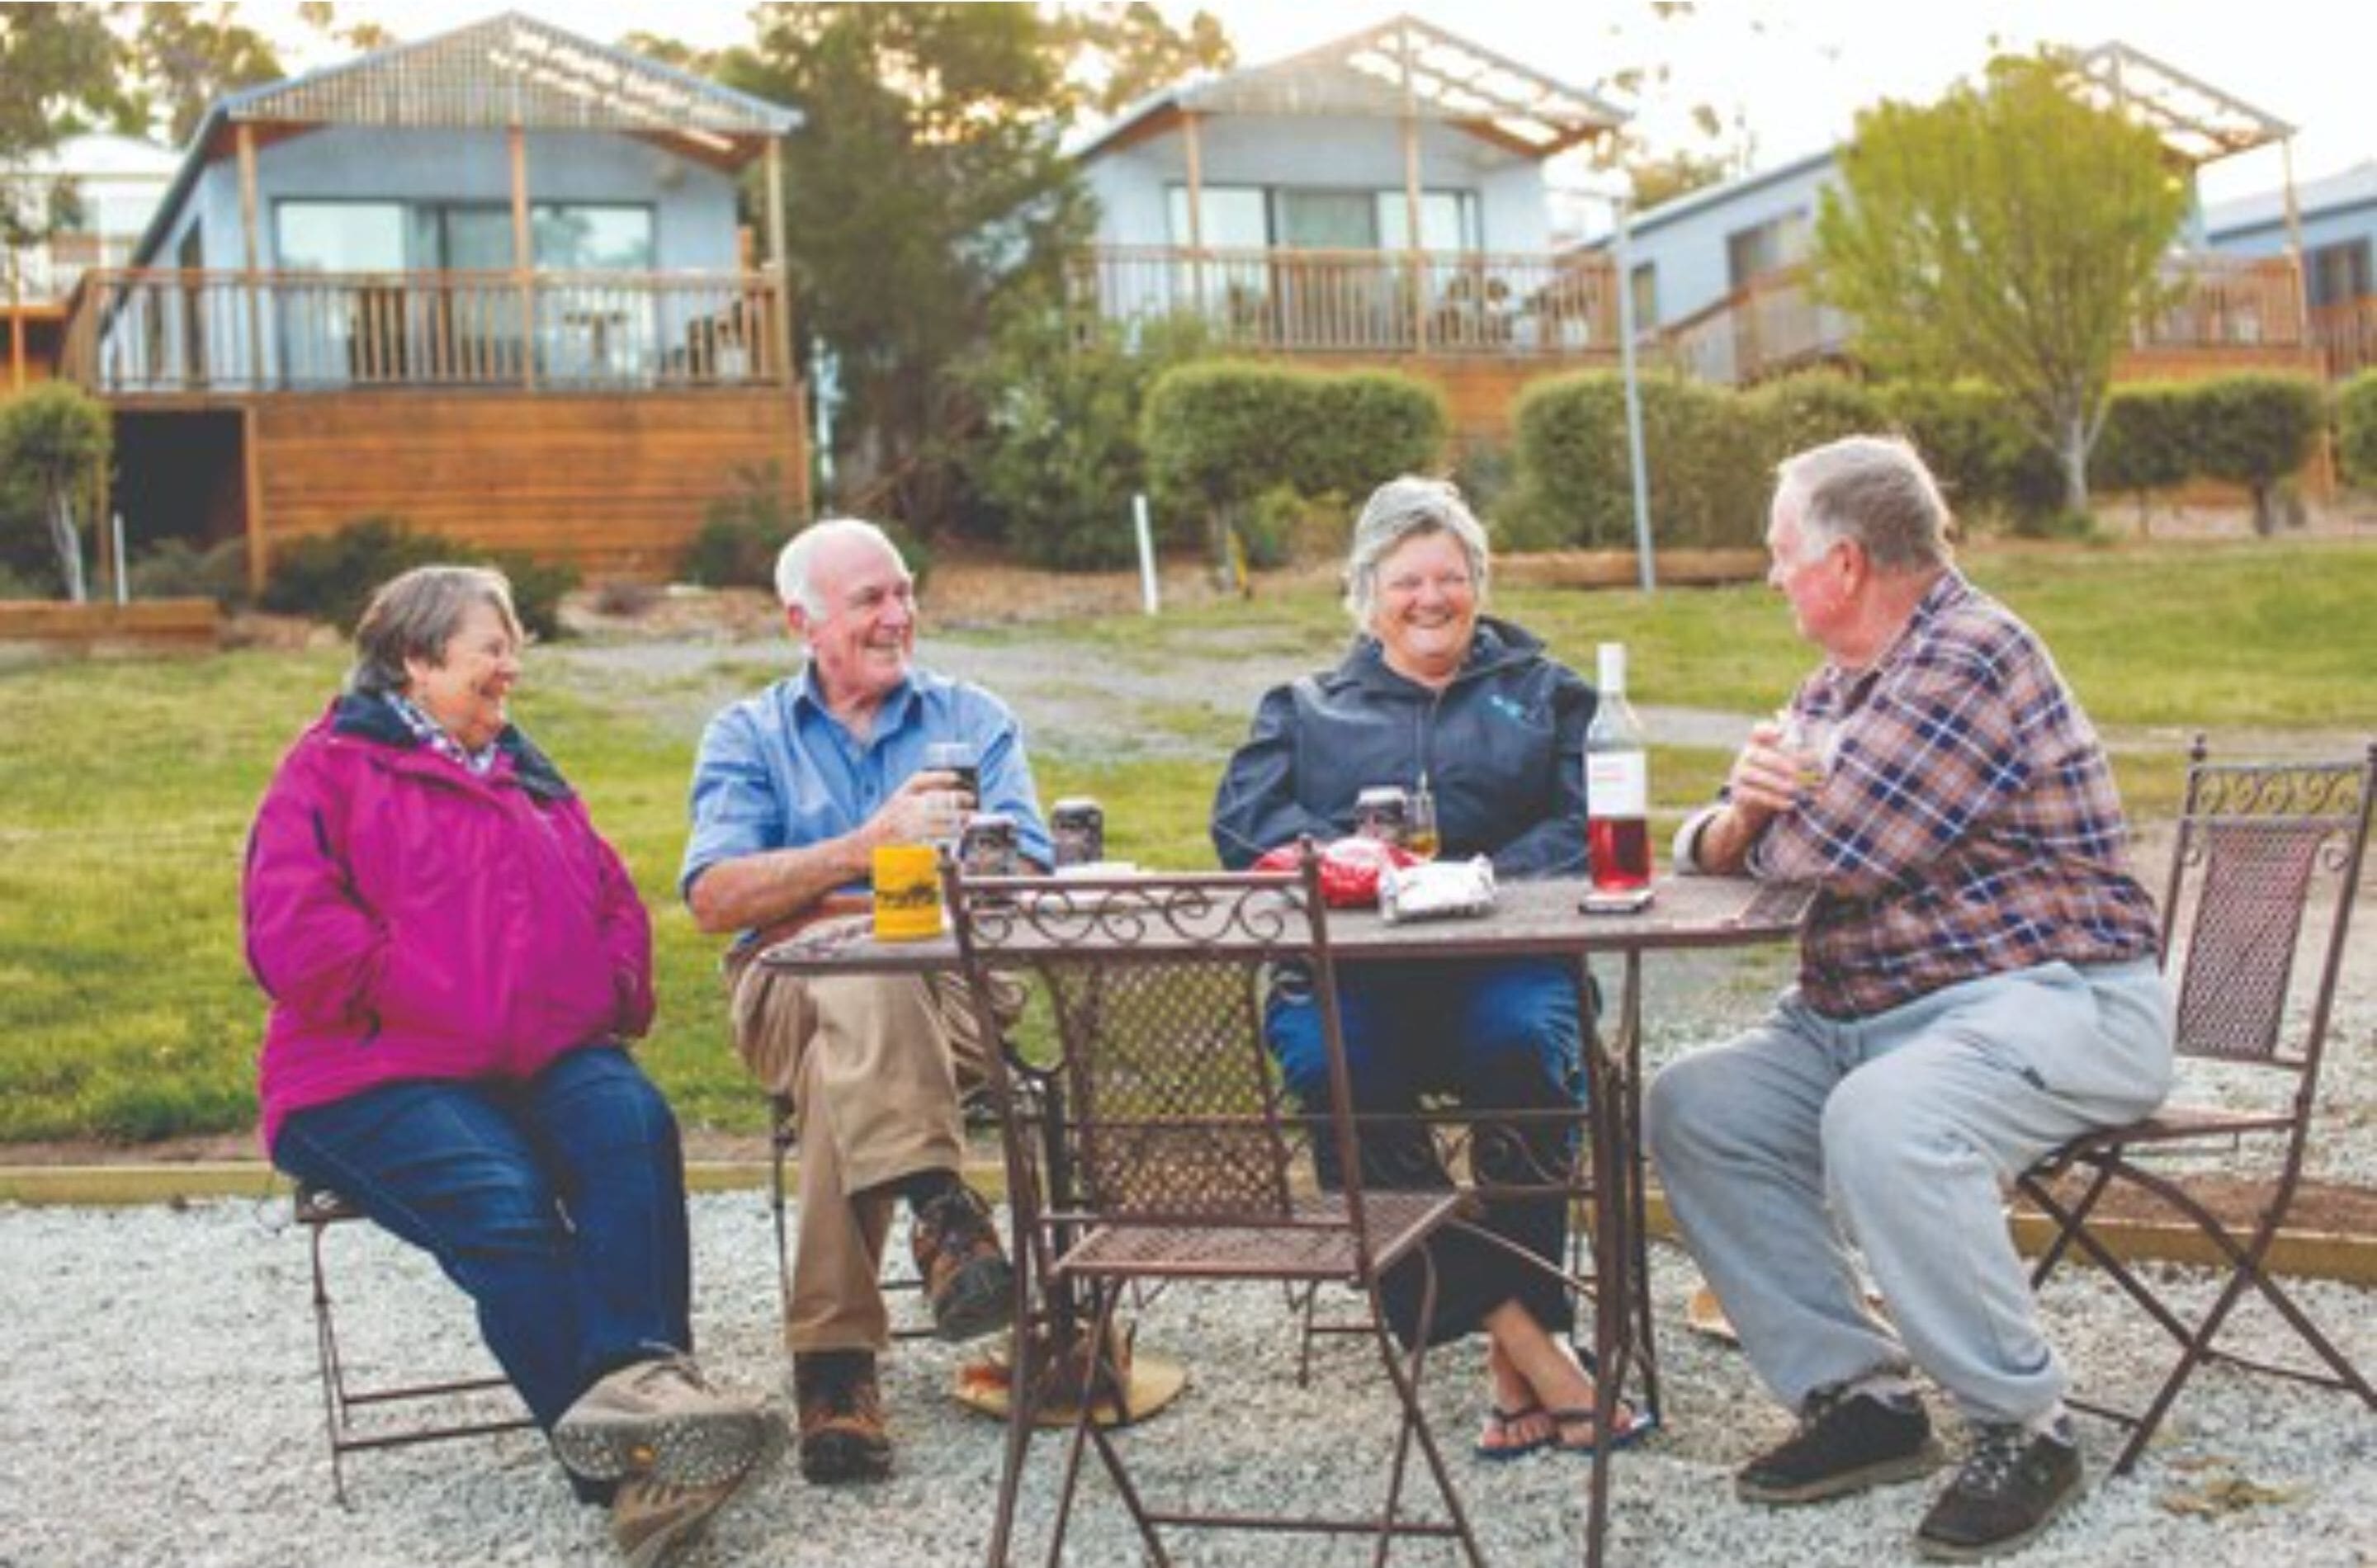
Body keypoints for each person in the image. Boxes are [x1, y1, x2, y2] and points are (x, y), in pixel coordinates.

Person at [1645, 436, 2173, 1561]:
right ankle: (1860, 1398)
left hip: (2050, 999)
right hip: (1861, 1016)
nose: (1771, 575)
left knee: (1886, 1116)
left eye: (1781, 553)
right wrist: (1743, 813)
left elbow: (1834, 845)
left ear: (1841, 564)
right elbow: (1707, 837)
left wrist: (1753, 818)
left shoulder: (1968, 653)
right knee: (1698, 1103)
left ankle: (2025, 1426)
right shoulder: (1843, 681)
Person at [248, 565, 777, 1567]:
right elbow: (292, 935)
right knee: (503, 1204)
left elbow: (613, 895)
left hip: (533, 1052)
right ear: (416, 659)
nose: (511, 668)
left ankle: (644, 1389)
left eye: (513, 647)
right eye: (492, 648)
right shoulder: (327, 770)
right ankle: (633, 1462)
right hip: (370, 1066)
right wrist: (428, 988)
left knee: (632, 1125)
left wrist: (614, 986)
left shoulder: (527, 774)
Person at [1211, 475, 1643, 1460]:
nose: (1432, 599)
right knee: (1331, 1070)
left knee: (1526, 1050)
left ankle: (1515, 1353)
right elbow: (1242, 826)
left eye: (1451, 576)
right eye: (1408, 580)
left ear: (1478, 584)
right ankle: (1527, 1339)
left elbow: (1592, 823)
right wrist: (1364, 865)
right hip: (1356, 979)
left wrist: (1476, 875)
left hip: (1507, 963)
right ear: (1369, 593)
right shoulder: (1307, 706)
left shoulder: (1545, 692)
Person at [683, 517, 1049, 1485]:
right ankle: (942, 1205)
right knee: (858, 974)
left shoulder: (973, 719)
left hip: (955, 998)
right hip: (785, 994)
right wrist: (867, 853)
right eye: (870, 601)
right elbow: (714, 897)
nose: (899, 616)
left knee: (854, 1024)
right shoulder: (748, 733)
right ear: (802, 622)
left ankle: (835, 1369)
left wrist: (857, 897)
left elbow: (1034, 878)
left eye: (904, 592)